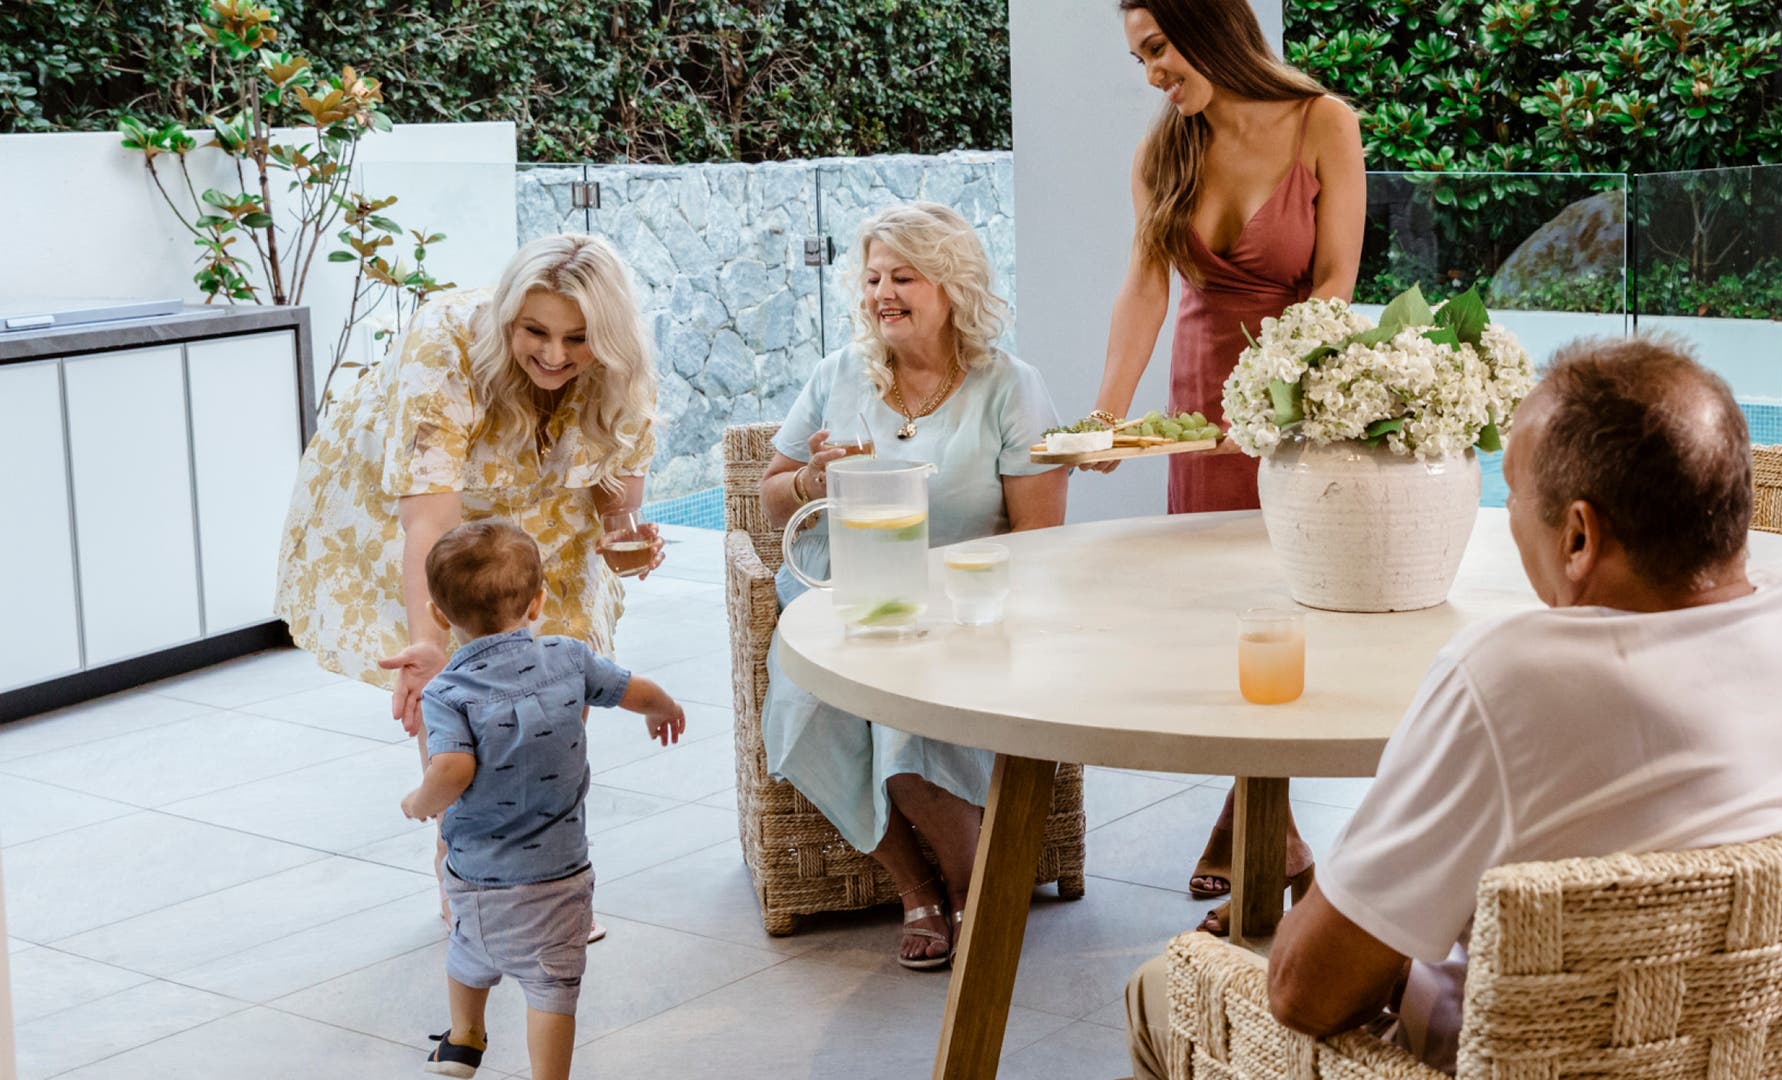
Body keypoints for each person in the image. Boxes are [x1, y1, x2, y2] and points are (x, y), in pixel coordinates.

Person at [1124, 335, 1782, 1077]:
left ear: (1578, 538)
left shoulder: (1514, 679)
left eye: (1516, 497)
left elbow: (1303, 997)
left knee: (1163, 990)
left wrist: (1331, 921)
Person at [276, 233, 664, 933]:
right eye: (535, 331)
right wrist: (431, 645)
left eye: (578, 339)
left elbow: (618, 511)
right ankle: (464, 879)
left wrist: (627, 543)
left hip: (546, 517)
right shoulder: (447, 345)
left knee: (550, 703)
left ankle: (544, 879)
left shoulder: (622, 370)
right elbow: (429, 521)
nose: (554, 355)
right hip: (446, 517)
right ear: (509, 316)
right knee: (464, 704)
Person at [1091, 0, 1367, 931]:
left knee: (1294, 620)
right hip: (1201, 403)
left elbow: (1335, 284)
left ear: (1209, 26)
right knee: (1222, 624)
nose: (1152, 75)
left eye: (1159, 48)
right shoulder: (1162, 152)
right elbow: (1144, 286)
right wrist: (1109, 417)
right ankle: (1272, 839)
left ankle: (1258, 837)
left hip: (1295, 406)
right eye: (1140, 58)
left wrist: (1284, 389)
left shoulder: (1324, 123)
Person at [759, 202, 1068, 969]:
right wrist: (808, 477)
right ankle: (916, 888)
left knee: (903, 728)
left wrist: (984, 605)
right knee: (805, 713)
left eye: (902, 276)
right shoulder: (839, 375)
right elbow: (772, 493)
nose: (880, 293)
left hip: (962, 600)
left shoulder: (1008, 386)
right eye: (871, 278)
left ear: (951, 285)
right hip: (840, 596)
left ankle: (974, 892)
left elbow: (1041, 536)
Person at [400, 522, 685, 1079]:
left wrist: (418, 800)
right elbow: (637, 689)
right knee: (552, 987)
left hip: (477, 875)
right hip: (560, 874)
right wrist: (663, 708)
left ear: (439, 614)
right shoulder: (569, 658)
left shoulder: (447, 692)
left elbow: (452, 769)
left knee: (466, 952)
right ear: (537, 602)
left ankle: (464, 1038)